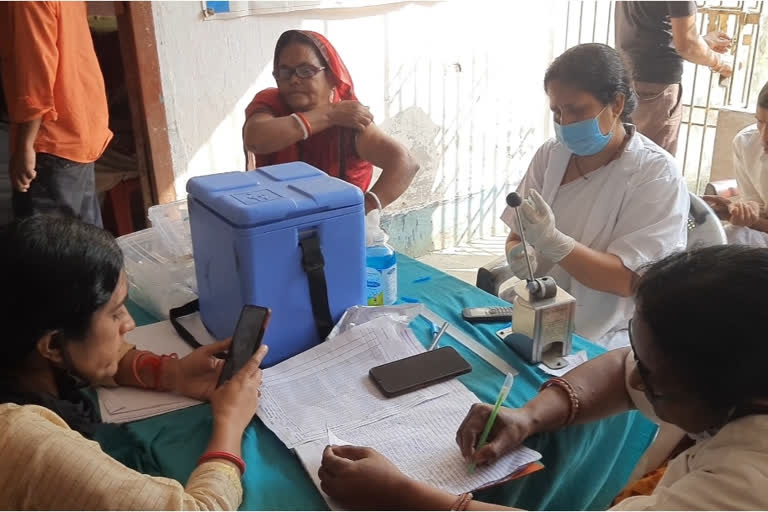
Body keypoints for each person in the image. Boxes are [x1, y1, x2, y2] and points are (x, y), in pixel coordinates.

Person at [318, 245, 768, 510]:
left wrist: (405, 496)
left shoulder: (745, 485)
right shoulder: (732, 379)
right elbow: (618, 371)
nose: (640, 381)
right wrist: (529, 417)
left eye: (655, 382)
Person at [0, 214, 267, 510]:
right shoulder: (23, 440)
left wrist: (171, 373)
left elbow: (99, 355)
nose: (128, 324)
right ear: (52, 345)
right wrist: (230, 423)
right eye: (114, 313)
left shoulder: (20, 350)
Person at [502, 43, 688, 349]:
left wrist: (554, 244)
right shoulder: (551, 155)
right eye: (556, 111)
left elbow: (627, 281)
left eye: (576, 109)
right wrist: (518, 254)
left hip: (601, 333)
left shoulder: (655, 174)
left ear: (616, 104)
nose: (564, 122)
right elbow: (517, 233)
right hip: (533, 312)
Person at [242, 30, 418, 213]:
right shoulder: (271, 102)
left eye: (306, 71)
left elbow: (405, 164)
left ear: (332, 76)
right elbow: (255, 139)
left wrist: (365, 208)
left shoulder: (349, 122)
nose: (294, 80)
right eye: (284, 72)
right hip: (276, 219)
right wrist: (330, 114)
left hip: (334, 226)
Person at [0, 2, 112, 226]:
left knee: (48, 248)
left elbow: (36, 75)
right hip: (79, 126)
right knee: (83, 240)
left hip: (52, 137)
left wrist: (25, 146)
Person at [615, 1, 733, 155]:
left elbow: (647, 22)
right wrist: (720, 64)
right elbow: (687, 45)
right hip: (656, 86)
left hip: (626, 76)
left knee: (624, 157)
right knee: (654, 165)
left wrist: (702, 42)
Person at [704, 81, 768, 246]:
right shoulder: (746, 143)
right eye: (760, 122)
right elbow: (759, 210)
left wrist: (754, 222)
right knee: (725, 238)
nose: (763, 138)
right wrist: (743, 212)